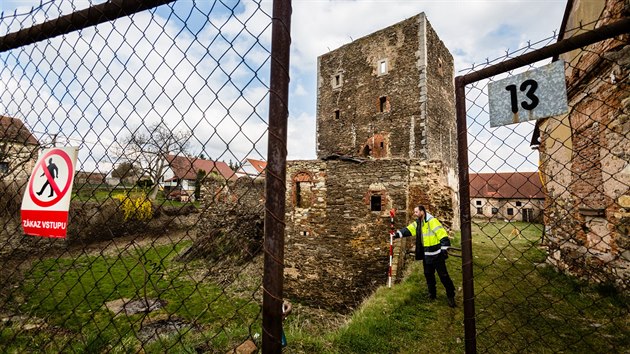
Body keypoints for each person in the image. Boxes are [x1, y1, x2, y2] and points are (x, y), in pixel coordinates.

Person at [394, 205, 456, 307]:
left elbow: (442, 234)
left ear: (422, 212)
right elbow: (409, 230)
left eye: (416, 212)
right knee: (428, 275)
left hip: (437, 254)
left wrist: (444, 249)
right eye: (414, 212)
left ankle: (451, 296)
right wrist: (397, 234)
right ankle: (432, 294)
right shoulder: (418, 222)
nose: (415, 213)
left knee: (443, 276)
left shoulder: (432, 221)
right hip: (427, 255)